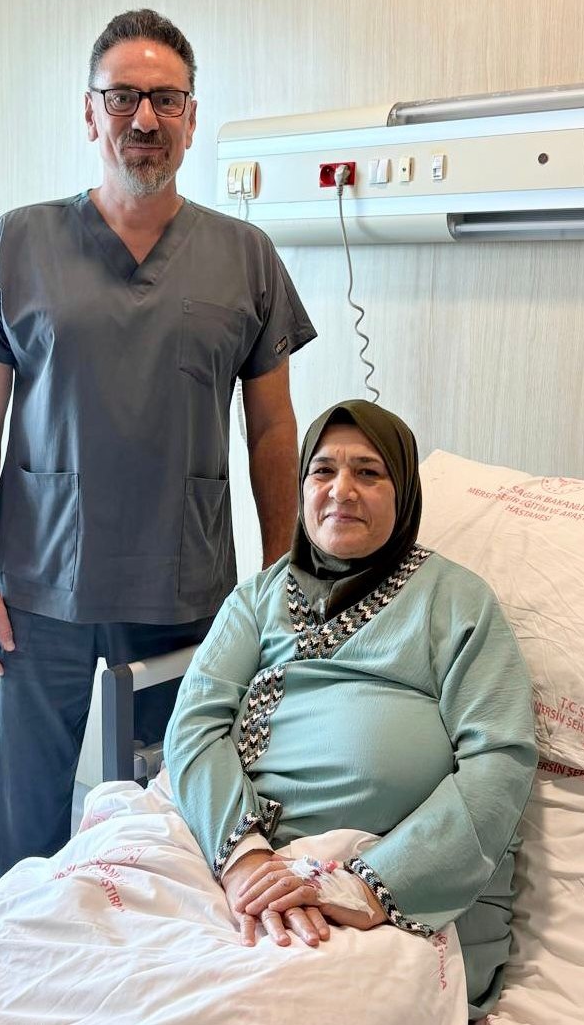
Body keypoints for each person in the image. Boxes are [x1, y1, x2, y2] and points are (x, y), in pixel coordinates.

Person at [0, 8, 316, 886]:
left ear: (191, 116)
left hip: (185, 586)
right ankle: (17, 954)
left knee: (179, 821)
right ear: (90, 112)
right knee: (25, 828)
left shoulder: (246, 257)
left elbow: (272, 427)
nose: (144, 118)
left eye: (165, 99)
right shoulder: (18, 243)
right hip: (40, 584)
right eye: (122, 97)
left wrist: (282, 579)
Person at [164, 400, 537, 1021]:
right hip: (235, 851)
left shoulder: (457, 603)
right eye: (323, 470)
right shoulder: (257, 599)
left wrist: (367, 886)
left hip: (395, 884)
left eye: (368, 472)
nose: (342, 490)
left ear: (404, 493)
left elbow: (500, 760)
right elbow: (194, 726)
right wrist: (245, 858)